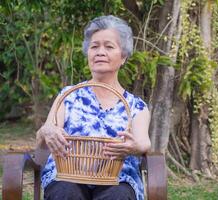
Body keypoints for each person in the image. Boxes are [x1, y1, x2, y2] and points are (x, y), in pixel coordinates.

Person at [36, 15, 151, 200]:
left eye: (109, 46)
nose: (100, 52)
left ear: (123, 57)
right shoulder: (68, 95)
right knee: (66, 192)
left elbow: (143, 143)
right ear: (88, 54)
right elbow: (44, 135)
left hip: (118, 179)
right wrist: (47, 131)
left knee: (117, 195)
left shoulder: (136, 106)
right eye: (94, 46)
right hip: (66, 176)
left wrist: (135, 147)